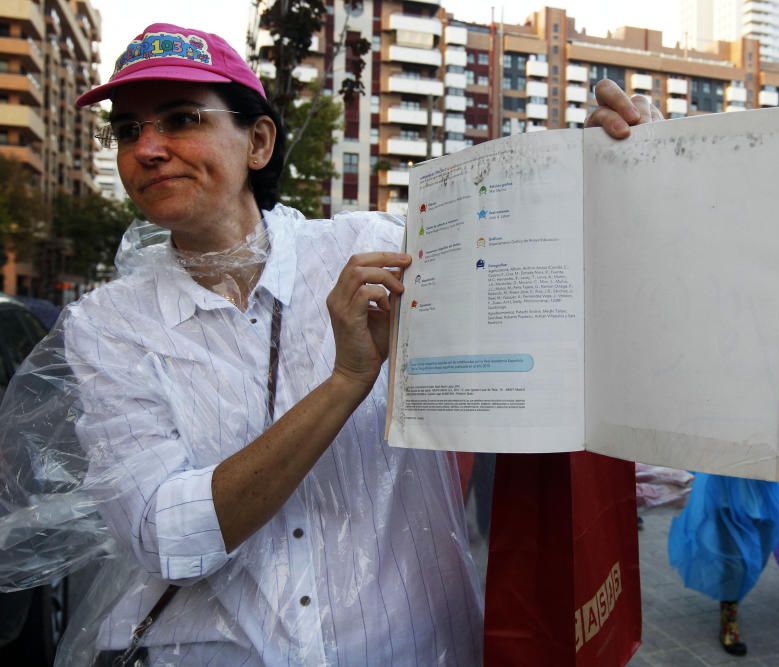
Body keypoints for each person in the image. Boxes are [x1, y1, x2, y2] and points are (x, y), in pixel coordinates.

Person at [0, 24, 653, 665]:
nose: (147, 148)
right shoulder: (106, 326)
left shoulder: (387, 248)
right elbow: (168, 535)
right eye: (128, 130)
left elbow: (552, 322)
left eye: (179, 119)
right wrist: (344, 383)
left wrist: (606, 176)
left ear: (257, 141)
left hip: (416, 647)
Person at [667, 468, 779, 656]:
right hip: (726, 490)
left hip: (765, 492)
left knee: (758, 556)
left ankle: (732, 600)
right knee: (735, 564)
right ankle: (729, 618)